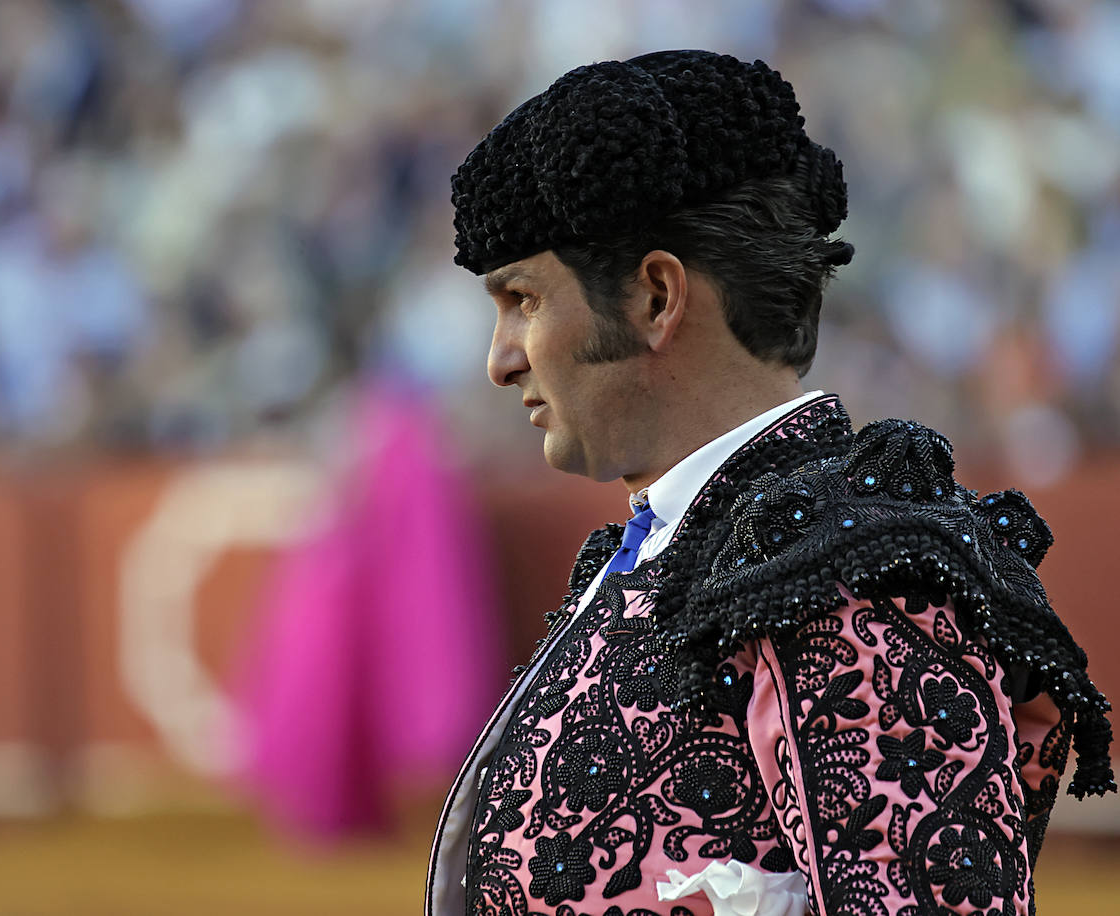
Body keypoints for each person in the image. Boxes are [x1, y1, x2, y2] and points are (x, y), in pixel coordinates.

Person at [426, 50, 1115, 916]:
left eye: (522, 298)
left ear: (654, 298)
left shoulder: (851, 574)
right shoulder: (689, 549)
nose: (499, 360)